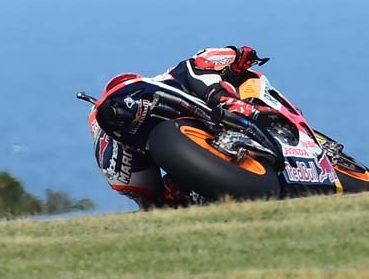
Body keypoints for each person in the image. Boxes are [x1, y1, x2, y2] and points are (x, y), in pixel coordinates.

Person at [89, 46, 271, 209]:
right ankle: (178, 194)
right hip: (131, 120)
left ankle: (176, 192)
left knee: (149, 201)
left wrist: (238, 57)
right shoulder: (179, 73)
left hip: (202, 112)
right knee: (144, 196)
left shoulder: (184, 72)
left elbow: (207, 60)